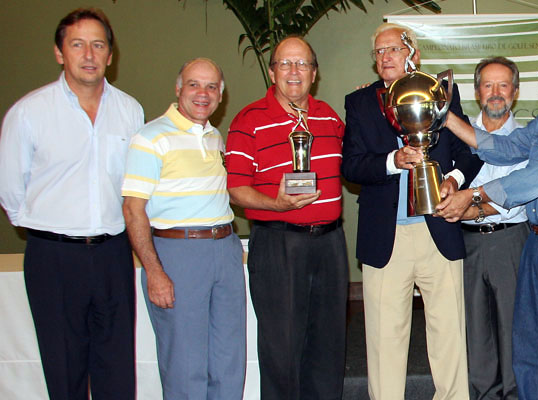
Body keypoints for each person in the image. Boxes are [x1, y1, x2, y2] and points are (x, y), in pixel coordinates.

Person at [437, 45, 538, 399]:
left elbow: (534, 179)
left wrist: (472, 196)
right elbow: (507, 148)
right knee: (530, 344)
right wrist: (446, 117)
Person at [0, 8, 143, 399]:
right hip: (54, 258)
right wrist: (51, 227)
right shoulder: (29, 113)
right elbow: (10, 190)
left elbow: (135, 185)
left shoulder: (130, 111)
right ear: (60, 53)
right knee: (64, 371)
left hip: (114, 253)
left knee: (117, 368)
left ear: (111, 55)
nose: (89, 54)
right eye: (77, 44)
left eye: (98, 45)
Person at [341, 23, 482, 400]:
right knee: (384, 338)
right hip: (385, 237)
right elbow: (351, 166)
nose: (385, 57)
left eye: (393, 49)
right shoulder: (358, 103)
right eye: (379, 52)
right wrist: (392, 161)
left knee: (449, 332)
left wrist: (452, 180)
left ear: (411, 54)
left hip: (439, 228)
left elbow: (470, 153)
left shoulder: (441, 94)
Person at [225, 36, 348, 399]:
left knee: (329, 345)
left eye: (302, 64)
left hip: (330, 243)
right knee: (282, 348)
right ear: (272, 70)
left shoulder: (329, 116)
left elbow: (356, 160)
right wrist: (275, 204)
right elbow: (236, 188)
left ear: (314, 72)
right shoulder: (248, 119)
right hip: (279, 243)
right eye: (285, 63)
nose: (294, 72)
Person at [122, 58, 246, 399]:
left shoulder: (215, 138)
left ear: (221, 95)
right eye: (194, 84)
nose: (202, 94)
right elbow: (133, 210)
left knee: (228, 359)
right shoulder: (150, 137)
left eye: (211, 87)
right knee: (185, 364)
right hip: (178, 255)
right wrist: (154, 271)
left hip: (225, 248)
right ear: (178, 89)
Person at [460, 57, 529, 400]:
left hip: (510, 241)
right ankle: (483, 395)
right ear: (477, 92)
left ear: (515, 92)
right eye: (488, 85)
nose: (496, 93)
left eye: (503, 85)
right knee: (476, 329)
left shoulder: (527, 138)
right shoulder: (458, 135)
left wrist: (466, 206)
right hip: (466, 245)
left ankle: (514, 394)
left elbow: (516, 196)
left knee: (513, 327)